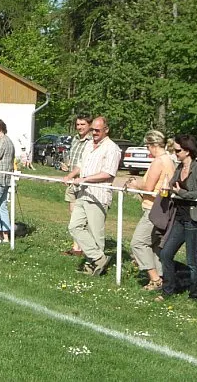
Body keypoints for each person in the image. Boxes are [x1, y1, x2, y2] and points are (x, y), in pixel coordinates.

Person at [156, 134, 197, 302]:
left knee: (192, 259)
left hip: (195, 219)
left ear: (187, 151)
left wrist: (182, 193)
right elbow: (172, 184)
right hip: (179, 217)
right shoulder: (179, 168)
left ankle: (196, 295)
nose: (175, 153)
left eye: (177, 150)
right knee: (166, 253)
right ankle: (168, 290)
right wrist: (168, 187)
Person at [68, 116, 121, 276]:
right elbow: (80, 164)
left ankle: (95, 264)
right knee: (74, 226)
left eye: (98, 130)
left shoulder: (112, 148)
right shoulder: (89, 144)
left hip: (98, 195)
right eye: (93, 130)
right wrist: (70, 176)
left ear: (106, 130)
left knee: (96, 232)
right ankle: (99, 258)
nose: (94, 133)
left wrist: (85, 179)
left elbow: (108, 173)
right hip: (83, 192)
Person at [127, 130, 175, 290]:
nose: (148, 150)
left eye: (148, 146)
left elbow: (148, 186)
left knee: (138, 243)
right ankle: (161, 277)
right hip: (162, 208)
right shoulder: (169, 160)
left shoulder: (159, 161)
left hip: (153, 209)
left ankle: (155, 278)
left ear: (153, 145)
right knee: (154, 246)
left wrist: (135, 183)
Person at [62, 114, 93, 256]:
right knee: (72, 214)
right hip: (72, 182)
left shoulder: (92, 141)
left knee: (83, 217)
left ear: (90, 125)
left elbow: (84, 164)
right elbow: (74, 159)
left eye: (83, 124)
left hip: (83, 182)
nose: (80, 127)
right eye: (78, 124)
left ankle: (84, 248)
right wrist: (67, 167)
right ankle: (76, 247)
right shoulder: (75, 139)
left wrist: (71, 175)